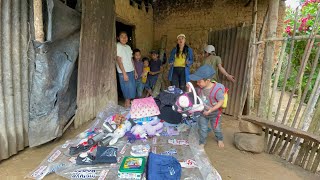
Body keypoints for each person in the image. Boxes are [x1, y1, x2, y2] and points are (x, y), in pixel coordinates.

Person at [189, 65, 225, 149]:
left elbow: (221, 102)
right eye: (197, 82)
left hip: (215, 113)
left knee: (216, 128)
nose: (197, 84)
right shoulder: (199, 88)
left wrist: (211, 110)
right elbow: (192, 95)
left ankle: (220, 139)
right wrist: (189, 88)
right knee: (203, 128)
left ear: (208, 81)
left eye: (199, 82)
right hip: (203, 112)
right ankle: (202, 142)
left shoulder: (217, 90)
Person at [116, 31, 137, 108]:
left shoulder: (128, 47)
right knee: (127, 92)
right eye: (122, 36)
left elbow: (131, 59)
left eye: (126, 36)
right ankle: (127, 107)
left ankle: (130, 108)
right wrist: (124, 73)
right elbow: (118, 60)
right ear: (118, 38)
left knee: (132, 89)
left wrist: (135, 71)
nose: (124, 38)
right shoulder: (117, 46)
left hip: (130, 70)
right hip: (123, 72)